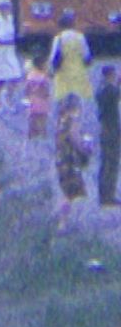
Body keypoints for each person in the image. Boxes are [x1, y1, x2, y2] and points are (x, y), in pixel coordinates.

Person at [54, 93, 92, 233]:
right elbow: (75, 139)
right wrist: (85, 149)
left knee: (67, 191)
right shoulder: (72, 122)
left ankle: (63, 219)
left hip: (60, 159)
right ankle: (62, 223)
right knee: (69, 193)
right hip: (69, 161)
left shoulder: (60, 121)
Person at [49, 9, 92, 104]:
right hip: (79, 70)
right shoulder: (80, 37)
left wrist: (51, 70)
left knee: (63, 97)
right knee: (78, 96)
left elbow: (53, 57)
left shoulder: (59, 38)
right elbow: (86, 55)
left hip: (63, 72)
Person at [96, 66, 121, 207]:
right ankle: (108, 196)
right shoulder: (108, 90)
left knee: (106, 162)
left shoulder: (101, 88)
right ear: (110, 75)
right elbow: (116, 94)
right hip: (111, 130)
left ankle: (105, 194)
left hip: (106, 128)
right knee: (111, 162)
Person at [23, 54, 52, 146]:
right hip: (42, 100)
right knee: (42, 117)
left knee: (33, 116)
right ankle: (43, 134)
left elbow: (27, 87)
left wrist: (27, 96)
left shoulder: (31, 75)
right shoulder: (43, 77)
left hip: (33, 99)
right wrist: (47, 96)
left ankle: (31, 133)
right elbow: (45, 89)